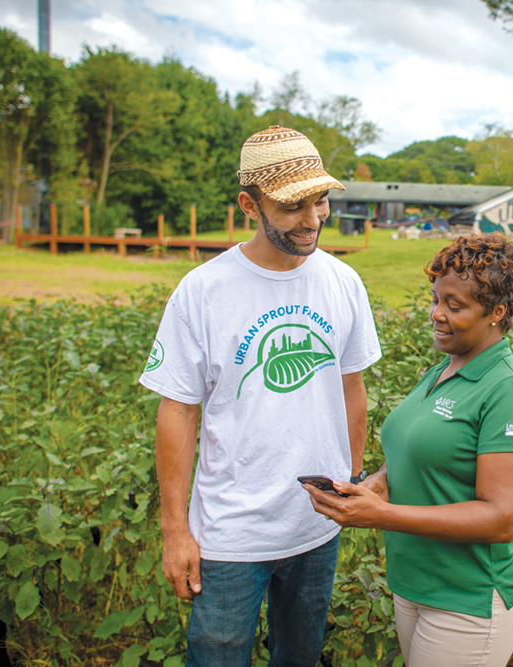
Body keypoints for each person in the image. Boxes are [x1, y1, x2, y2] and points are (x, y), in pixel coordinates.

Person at [139, 126, 382, 667]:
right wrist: (175, 530)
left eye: (320, 200)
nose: (313, 218)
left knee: (299, 655)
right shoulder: (203, 291)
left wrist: (352, 480)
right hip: (230, 534)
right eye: (293, 205)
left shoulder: (344, 282)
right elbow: (177, 412)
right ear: (250, 205)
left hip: (317, 524)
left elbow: (351, 388)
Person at [304, 233, 513, 667]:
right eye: (435, 299)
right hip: (415, 584)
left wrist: (383, 516)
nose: (437, 315)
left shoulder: (512, 392)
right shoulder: (446, 368)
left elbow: (502, 517)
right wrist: (380, 483)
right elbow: (417, 453)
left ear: (497, 312)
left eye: (455, 306)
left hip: (470, 596)